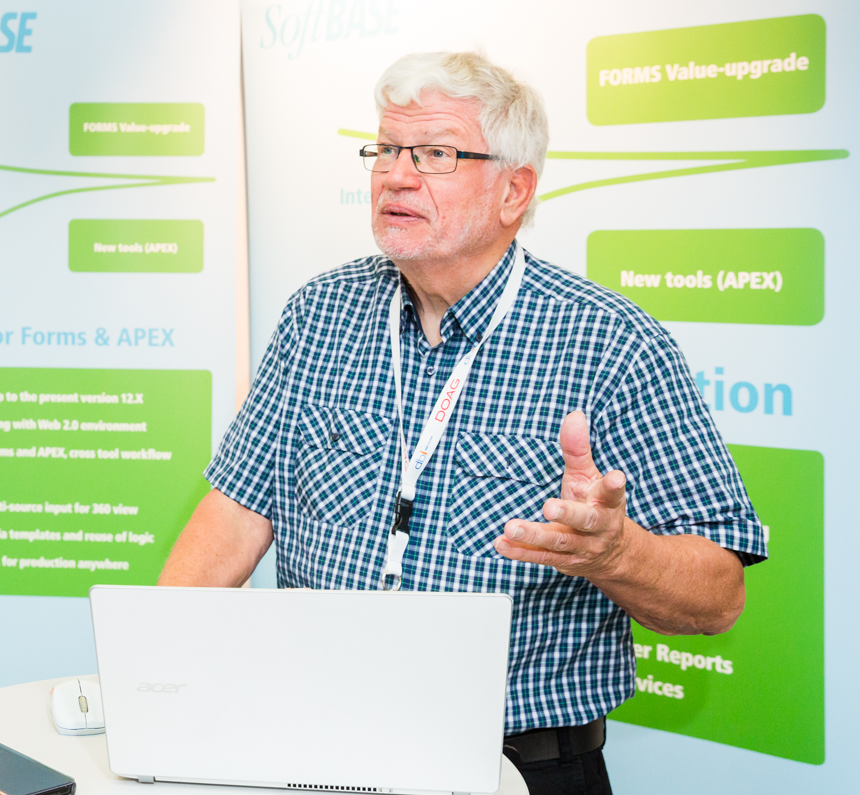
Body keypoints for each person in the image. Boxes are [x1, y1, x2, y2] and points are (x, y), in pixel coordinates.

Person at [159, 51, 766, 795]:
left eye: (435, 154)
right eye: (387, 149)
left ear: (515, 190)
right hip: (315, 746)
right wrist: (154, 675)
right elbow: (237, 511)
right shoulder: (319, 313)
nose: (396, 176)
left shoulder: (612, 344)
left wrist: (616, 553)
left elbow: (719, 597)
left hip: (517, 764)